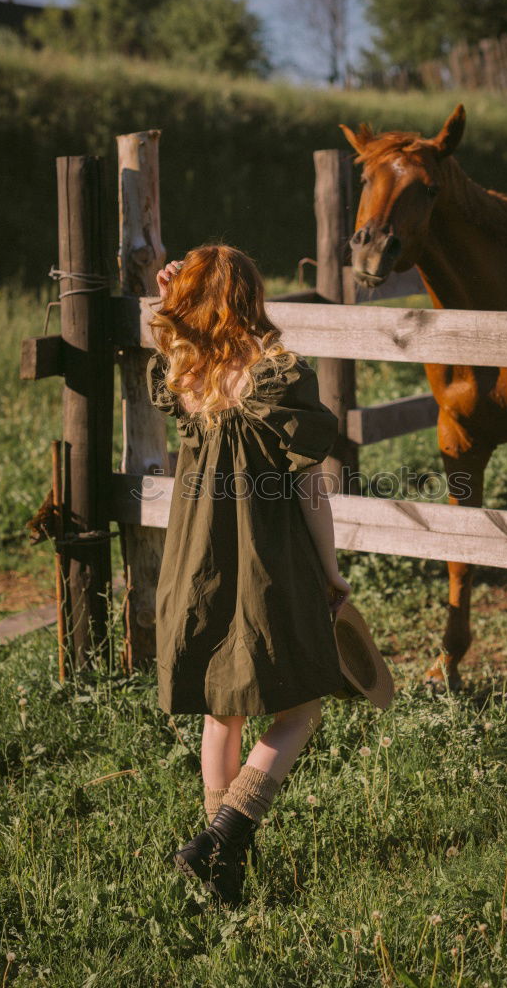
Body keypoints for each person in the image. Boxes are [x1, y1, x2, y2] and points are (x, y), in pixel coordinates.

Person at [145, 244, 351, 907]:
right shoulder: (279, 377)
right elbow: (314, 487)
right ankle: (224, 840)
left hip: (195, 561)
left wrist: (167, 300)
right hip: (269, 559)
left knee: (221, 710)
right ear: (253, 295)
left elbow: (167, 330)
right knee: (301, 709)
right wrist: (331, 570)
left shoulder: (182, 371)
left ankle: (218, 868)